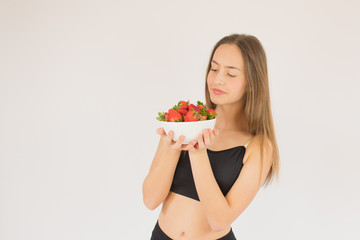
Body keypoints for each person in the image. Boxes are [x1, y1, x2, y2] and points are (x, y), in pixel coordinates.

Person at [142, 33, 280, 240]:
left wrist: (198, 156)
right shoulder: (185, 121)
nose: (217, 79)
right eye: (214, 69)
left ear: (252, 83)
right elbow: (150, 200)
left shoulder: (259, 146)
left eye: (231, 74)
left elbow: (219, 220)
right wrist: (171, 147)